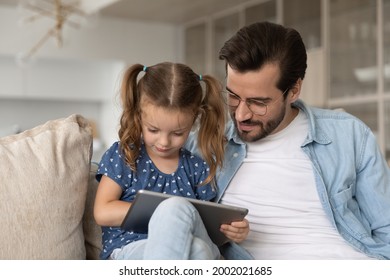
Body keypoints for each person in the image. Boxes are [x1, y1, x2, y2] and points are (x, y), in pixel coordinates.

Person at [186, 21, 390, 259]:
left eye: (258, 102)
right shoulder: (206, 146)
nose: (241, 114)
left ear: (293, 91)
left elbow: (386, 228)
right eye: (233, 96)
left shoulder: (349, 135)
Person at [93, 62, 249, 260]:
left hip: (192, 246)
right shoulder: (125, 156)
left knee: (197, 242)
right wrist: (165, 214)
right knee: (194, 242)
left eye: (177, 133)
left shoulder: (197, 168)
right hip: (132, 251)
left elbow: (207, 230)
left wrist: (231, 232)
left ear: (193, 122)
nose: (164, 142)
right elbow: (103, 212)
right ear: (139, 116)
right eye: (153, 130)